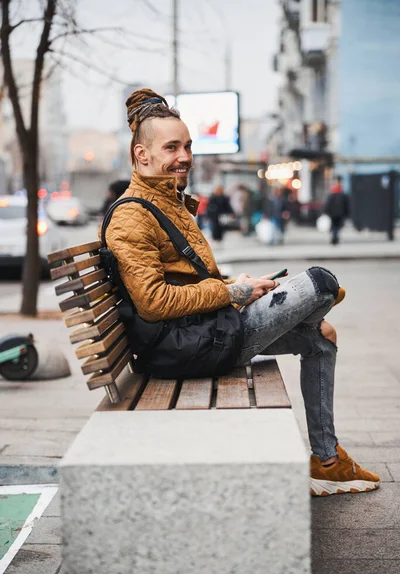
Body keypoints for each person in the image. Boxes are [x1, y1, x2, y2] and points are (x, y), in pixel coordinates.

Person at [105, 87, 380, 496]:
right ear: (141, 155)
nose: (184, 156)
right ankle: (315, 304)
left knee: (323, 336)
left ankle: (326, 460)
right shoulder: (132, 216)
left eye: (188, 145)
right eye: (172, 147)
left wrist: (240, 289)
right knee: (320, 283)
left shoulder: (168, 203)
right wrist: (234, 293)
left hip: (203, 331)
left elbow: (188, 282)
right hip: (188, 346)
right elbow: (155, 301)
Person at [324, 176, 350, 245]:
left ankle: (334, 237)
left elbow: (328, 204)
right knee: (337, 226)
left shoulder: (332, 194)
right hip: (340, 213)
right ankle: (335, 237)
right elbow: (346, 205)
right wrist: (346, 213)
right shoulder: (343, 194)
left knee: (334, 226)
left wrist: (326, 212)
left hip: (333, 213)